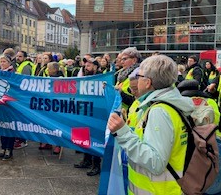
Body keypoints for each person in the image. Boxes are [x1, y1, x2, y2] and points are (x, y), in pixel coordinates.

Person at [107, 55, 195, 194]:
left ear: (148, 82)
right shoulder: (165, 105)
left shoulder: (159, 111)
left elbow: (156, 163)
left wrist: (122, 132)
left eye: (139, 75)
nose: (137, 79)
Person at [74, 57, 102, 176]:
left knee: (94, 138)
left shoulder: (101, 77)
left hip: (95, 112)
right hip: (83, 110)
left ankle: (96, 165)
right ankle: (86, 160)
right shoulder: (82, 77)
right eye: (85, 64)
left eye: (90, 64)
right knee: (83, 136)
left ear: (96, 66)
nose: (86, 66)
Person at [0, 54, 15, 160]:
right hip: (0, 102)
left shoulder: (12, 73)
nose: (2, 64)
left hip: (10, 103)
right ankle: (3, 148)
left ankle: (9, 149)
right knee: (2, 126)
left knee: (9, 126)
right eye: (1, 62)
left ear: (9, 63)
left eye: (4, 61)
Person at [14, 51, 33, 149]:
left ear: (25, 57)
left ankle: (22, 140)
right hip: (19, 95)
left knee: (21, 119)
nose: (18, 58)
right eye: (17, 56)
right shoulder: (20, 65)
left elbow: (25, 81)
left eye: (20, 56)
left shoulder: (26, 66)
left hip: (22, 96)